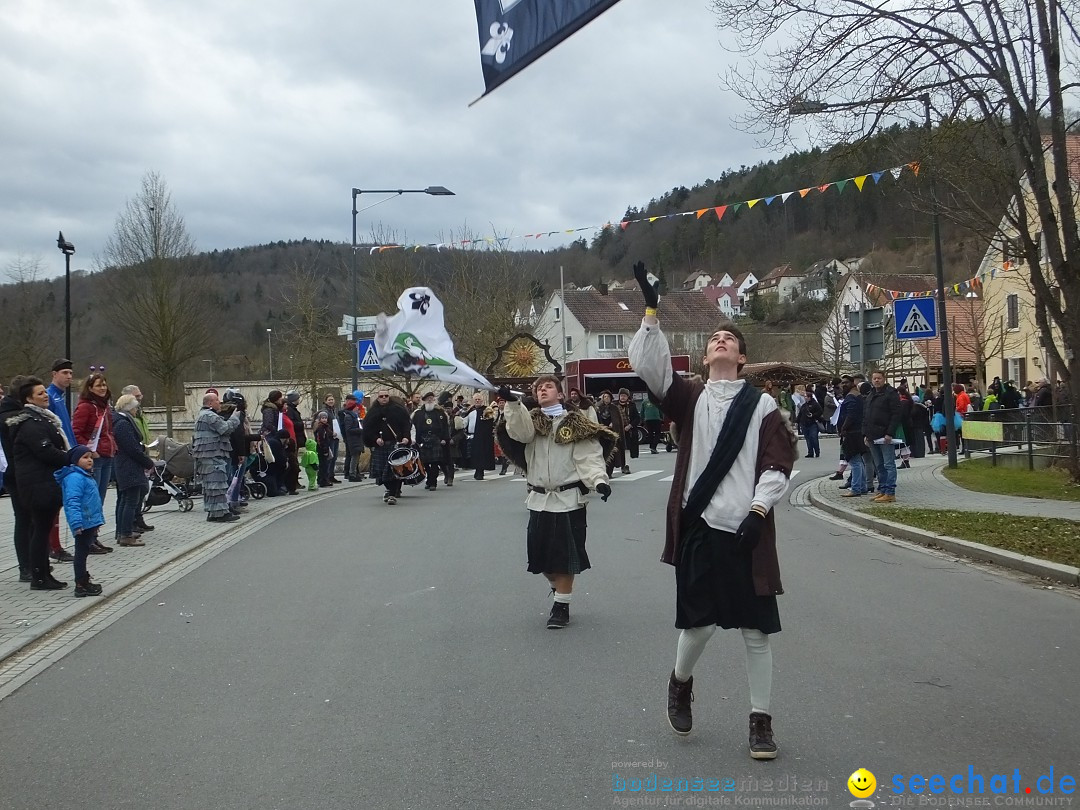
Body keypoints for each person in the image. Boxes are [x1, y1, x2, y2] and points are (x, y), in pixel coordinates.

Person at [627, 260, 796, 761]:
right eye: (714, 338)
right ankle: (680, 682)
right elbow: (649, 367)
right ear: (705, 357)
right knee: (697, 626)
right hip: (700, 527)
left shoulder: (763, 406)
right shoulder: (690, 398)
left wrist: (760, 511)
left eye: (730, 338)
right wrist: (651, 312)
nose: (721, 340)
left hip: (748, 528)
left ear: (742, 357)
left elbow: (777, 464)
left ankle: (760, 723)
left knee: (756, 631)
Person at [498, 377, 615, 629]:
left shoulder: (577, 425)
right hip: (539, 500)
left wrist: (599, 481)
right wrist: (512, 403)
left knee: (564, 558)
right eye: (538, 388)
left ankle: (561, 606)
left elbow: (589, 458)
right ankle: (557, 588)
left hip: (568, 500)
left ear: (560, 395)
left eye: (548, 386)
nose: (542, 389)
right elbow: (519, 431)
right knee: (542, 561)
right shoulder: (530, 421)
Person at [7, 376, 70, 590]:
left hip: (44, 481)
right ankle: (39, 577)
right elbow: (46, 451)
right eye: (40, 393)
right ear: (29, 399)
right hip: (36, 484)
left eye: (45, 392)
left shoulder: (41, 419)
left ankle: (44, 574)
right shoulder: (29, 423)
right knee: (40, 530)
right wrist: (72, 458)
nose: (46, 396)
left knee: (42, 528)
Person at [56, 445, 106, 596]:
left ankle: (83, 580)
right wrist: (77, 523)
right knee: (81, 553)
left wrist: (96, 523)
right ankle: (81, 583)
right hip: (82, 523)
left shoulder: (85, 475)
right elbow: (72, 502)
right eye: (85, 457)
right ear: (75, 460)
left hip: (89, 521)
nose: (89, 460)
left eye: (90, 457)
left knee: (83, 552)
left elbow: (92, 501)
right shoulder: (75, 478)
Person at [0, 376, 34, 582]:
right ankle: (26, 566)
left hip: (18, 472)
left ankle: (30, 563)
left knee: (28, 519)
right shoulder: (14, 418)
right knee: (24, 519)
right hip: (18, 473)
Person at [112, 394, 156, 546]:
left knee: (126, 500)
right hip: (128, 466)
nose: (137, 410)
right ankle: (125, 534)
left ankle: (123, 531)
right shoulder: (123, 424)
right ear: (129, 408)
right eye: (136, 407)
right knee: (130, 501)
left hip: (125, 465)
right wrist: (148, 462)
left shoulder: (119, 421)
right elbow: (131, 448)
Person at [193, 391, 242, 522]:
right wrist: (234, 417)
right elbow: (225, 428)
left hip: (208, 455)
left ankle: (213, 512)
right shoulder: (209, 416)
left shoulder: (203, 415)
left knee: (211, 486)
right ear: (209, 403)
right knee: (217, 484)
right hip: (212, 456)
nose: (219, 402)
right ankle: (221, 514)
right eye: (216, 400)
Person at [72, 371, 117, 505]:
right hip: (94, 457)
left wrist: (114, 446)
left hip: (107, 455)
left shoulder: (105, 407)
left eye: (104, 385)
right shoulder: (85, 407)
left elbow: (109, 431)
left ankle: (96, 524)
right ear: (90, 388)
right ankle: (90, 524)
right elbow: (76, 432)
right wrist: (89, 451)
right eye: (98, 385)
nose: (103, 388)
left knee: (100, 497)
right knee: (92, 496)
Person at [363, 390, 412, 505]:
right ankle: (390, 490)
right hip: (381, 446)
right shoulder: (373, 412)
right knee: (381, 471)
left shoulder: (398, 410)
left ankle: (392, 493)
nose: (384, 398)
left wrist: (406, 437)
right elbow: (367, 429)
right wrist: (375, 439)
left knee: (393, 470)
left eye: (386, 396)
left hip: (395, 443)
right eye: (381, 396)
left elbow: (406, 424)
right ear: (378, 398)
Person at [864, 371, 901, 503]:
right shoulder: (871, 394)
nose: (876, 380)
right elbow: (867, 415)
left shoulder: (891, 394)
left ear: (884, 379)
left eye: (879, 378)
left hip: (885, 435)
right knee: (879, 465)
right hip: (872, 435)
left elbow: (896, 414)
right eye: (874, 378)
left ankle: (890, 492)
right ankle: (882, 489)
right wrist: (866, 434)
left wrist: (889, 433)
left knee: (888, 464)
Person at [412, 390, 451, 490]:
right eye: (428, 399)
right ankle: (430, 479)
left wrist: (444, 439)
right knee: (424, 462)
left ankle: (433, 483)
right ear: (424, 401)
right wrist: (415, 440)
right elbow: (413, 427)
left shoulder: (440, 412)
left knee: (435, 462)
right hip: (422, 439)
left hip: (436, 439)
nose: (430, 401)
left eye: (431, 399)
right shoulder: (418, 413)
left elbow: (445, 427)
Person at [838, 378, 868, 497]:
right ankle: (862, 486)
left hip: (852, 432)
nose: (843, 385)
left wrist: (843, 428)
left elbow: (850, 415)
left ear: (852, 384)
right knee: (858, 461)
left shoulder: (851, 397)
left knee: (854, 461)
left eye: (846, 383)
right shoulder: (857, 395)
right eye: (842, 383)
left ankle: (856, 488)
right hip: (857, 431)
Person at [258, 390, 289, 496]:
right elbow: (268, 424)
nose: (282, 400)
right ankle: (275, 487)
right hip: (271, 437)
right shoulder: (269, 410)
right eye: (280, 398)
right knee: (274, 463)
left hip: (274, 436)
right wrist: (277, 432)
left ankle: (279, 485)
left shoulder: (275, 409)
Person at [464, 393, 496, 480]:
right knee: (474, 455)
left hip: (483, 437)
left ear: (482, 400)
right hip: (472, 435)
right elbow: (465, 422)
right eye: (476, 399)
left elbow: (490, 422)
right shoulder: (470, 411)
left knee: (481, 455)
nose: (477, 401)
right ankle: (476, 470)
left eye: (479, 399)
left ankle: (480, 472)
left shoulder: (487, 410)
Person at [594, 390, 625, 476]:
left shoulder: (614, 408)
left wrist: (613, 423)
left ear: (611, 398)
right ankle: (604, 470)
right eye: (604, 397)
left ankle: (609, 471)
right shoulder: (598, 407)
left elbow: (618, 421)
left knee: (612, 453)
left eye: (607, 397)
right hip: (602, 433)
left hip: (612, 433)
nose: (606, 398)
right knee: (603, 453)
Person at [340, 393, 365, 482]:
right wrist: (360, 430)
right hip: (352, 440)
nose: (358, 408)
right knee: (353, 457)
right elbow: (349, 429)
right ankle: (352, 473)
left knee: (356, 456)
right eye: (356, 407)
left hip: (356, 439)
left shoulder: (354, 416)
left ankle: (354, 473)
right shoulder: (349, 416)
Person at [616, 388, 640, 474]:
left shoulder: (632, 406)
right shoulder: (615, 406)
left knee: (627, 449)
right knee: (620, 449)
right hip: (618, 431)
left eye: (624, 396)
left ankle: (626, 466)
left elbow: (637, 418)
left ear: (627, 397)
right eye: (621, 396)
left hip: (629, 431)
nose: (622, 397)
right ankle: (621, 465)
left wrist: (630, 426)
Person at [796, 389, 822, 458]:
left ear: (810, 397)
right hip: (804, 424)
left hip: (812, 423)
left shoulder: (815, 404)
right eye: (804, 396)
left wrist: (813, 415)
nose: (805, 398)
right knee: (807, 439)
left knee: (813, 437)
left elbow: (820, 411)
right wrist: (797, 422)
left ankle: (817, 451)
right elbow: (800, 414)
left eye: (806, 396)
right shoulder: (804, 405)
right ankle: (810, 452)